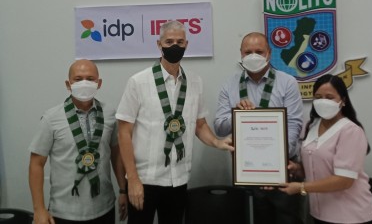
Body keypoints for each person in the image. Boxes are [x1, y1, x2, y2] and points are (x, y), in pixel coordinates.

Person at [116, 20, 234, 224]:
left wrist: (217, 142)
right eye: (169, 41)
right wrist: (132, 179)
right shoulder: (139, 82)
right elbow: (124, 132)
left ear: (187, 44)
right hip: (144, 179)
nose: (174, 46)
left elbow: (200, 125)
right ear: (158, 44)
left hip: (178, 179)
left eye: (180, 42)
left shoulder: (195, 83)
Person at [214, 32, 304, 224]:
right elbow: (220, 129)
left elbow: (294, 125)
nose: (253, 56)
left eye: (259, 51)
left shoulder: (287, 83)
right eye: (248, 52)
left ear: (269, 53)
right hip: (246, 172)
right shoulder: (229, 85)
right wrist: (236, 114)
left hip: (283, 173)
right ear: (241, 54)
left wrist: (275, 164)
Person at [29, 59, 127, 224]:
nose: (84, 83)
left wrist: (123, 190)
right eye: (78, 79)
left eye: (90, 78)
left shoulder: (110, 114)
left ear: (99, 83)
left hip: (104, 208)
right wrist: (39, 209)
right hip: (65, 212)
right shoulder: (51, 118)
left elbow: (116, 155)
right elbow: (36, 164)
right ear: (68, 84)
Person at [279, 74, 372, 224]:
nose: (323, 101)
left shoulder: (350, 131)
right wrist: (296, 168)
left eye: (329, 97)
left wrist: (301, 187)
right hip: (319, 214)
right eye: (318, 97)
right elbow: (315, 166)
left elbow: (344, 180)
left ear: (342, 101)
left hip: (350, 216)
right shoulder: (310, 126)